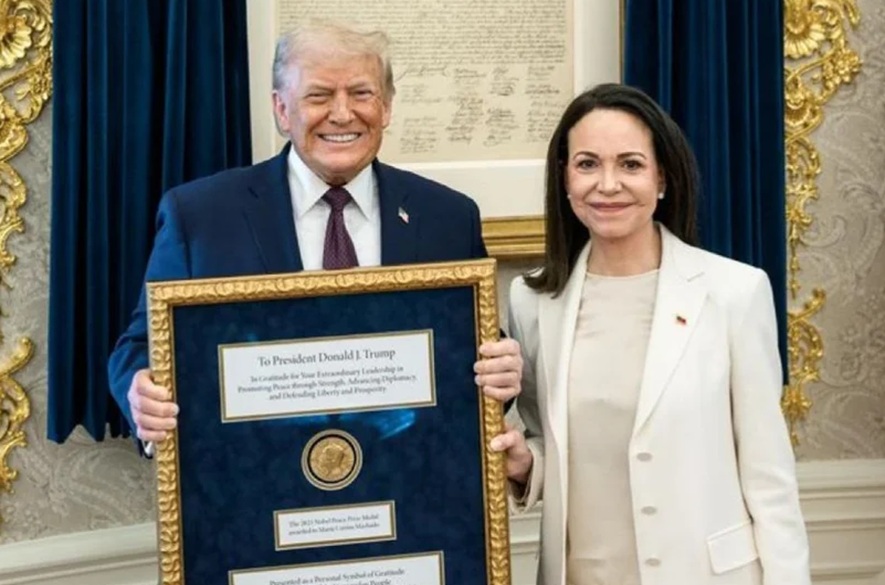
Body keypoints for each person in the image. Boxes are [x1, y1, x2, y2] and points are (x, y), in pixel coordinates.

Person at [107, 21, 523, 447]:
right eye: (319, 96)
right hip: (254, 472)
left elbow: (474, 351)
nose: (342, 114)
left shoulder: (448, 217)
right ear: (282, 109)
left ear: (386, 107)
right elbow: (141, 346)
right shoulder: (200, 217)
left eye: (361, 93)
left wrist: (503, 370)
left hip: (408, 471)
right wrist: (141, 392)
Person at [491, 83, 810, 585]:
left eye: (631, 164)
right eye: (588, 164)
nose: (608, 184)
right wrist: (525, 464)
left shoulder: (734, 293)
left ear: (662, 178)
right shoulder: (532, 301)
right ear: (565, 179)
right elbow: (553, 443)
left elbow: (769, 476)